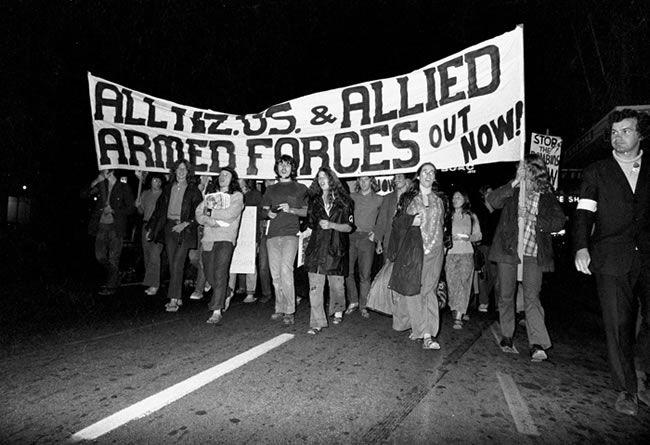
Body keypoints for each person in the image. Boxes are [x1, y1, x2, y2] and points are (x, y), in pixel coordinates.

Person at [573, 109, 650, 416]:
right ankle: (627, 389)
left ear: (640, 134)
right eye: (615, 133)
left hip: (647, 253)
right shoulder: (598, 170)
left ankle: (642, 370)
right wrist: (581, 247)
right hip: (610, 256)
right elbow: (584, 212)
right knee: (618, 324)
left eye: (626, 131)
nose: (619, 137)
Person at [488, 153, 565, 361]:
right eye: (522, 170)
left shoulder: (547, 196)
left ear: (536, 172)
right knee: (506, 294)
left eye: (528, 172)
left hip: (533, 253)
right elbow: (492, 201)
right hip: (509, 250)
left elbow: (559, 221)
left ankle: (537, 342)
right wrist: (514, 182)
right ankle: (507, 335)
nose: (525, 175)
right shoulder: (514, 190)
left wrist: (534, 218)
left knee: (532, 296)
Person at [387, 163, 451, 350]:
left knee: (429, 291)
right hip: (414, 251)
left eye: (432, 172)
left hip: (435, 251)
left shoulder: (441, 200)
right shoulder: (408, 198)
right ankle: (420, 330)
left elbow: (445, 224)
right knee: (414, 291)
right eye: (425, 171)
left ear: (435, 177)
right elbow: (396, 222)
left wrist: (446, 245)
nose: (428, 175)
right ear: (418, 175)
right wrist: (410, 221)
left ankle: (428, 334)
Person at [147, 160, 203, 312]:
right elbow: (158, 211)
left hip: (185, 229)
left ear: (188, 172)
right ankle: (177, 296)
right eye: (179, 169)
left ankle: (173, 299)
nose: (181, 171)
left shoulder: (194, 190)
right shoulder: (167, 188)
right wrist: (151, 228)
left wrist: (185, 224)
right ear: (174, 171)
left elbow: (199, 213)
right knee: (173, 264)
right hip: (169, 228)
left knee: (178, 263)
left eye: (184, 169)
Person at [304, 167, 355, 334]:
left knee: (337, 286)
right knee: (315, 287)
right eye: (318, 177)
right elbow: (311, 225)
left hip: (336, 248)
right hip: (317, 248)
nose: (321, 179)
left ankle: (338, 309)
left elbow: (349, 227)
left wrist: (332, 225)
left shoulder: (345, 201)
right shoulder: (314, 201)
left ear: (332, 179)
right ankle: (316, 322)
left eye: (324, 176)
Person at [261, 155, 308, 325]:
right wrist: (268, 214)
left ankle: (289, 310)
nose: (284, 168)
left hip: (290, 235)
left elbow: (307, 211)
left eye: (287, 165)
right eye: (281, 164)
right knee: (275, 274)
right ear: (277, 167)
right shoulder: (270, 190)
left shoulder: (300, 188)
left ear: (292, 168)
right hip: (272, 235)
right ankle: (279, 307)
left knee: (286, 270)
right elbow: (263, 210)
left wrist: (292, 210)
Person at [195, 167, 245, 324]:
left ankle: (216, 310)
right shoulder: (210, 196)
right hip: (209, 238)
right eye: (221, 175)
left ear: (233, 179)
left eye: (227, 175)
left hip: (226, 239)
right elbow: (198, 212)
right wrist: (211, 221)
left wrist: (209, 214)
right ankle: (227, 291)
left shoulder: (237, 196)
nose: (223, 177)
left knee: (220, 272)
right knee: (209, 273)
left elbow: (230, 215)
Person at [82, 169, 135, 296]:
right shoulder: (101, 185)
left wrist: (114, 210)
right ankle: (117, 273)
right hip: (101, 225)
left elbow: (131, 208)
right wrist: (95, 181)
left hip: (116, 227)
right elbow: (83, 195)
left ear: (111, 171)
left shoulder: (123, 186)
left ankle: (111, 286)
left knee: (113, 257)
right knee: (100, 256)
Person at [345, 175, 383, 319]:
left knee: (365, 274)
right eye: (361, 179)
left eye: (366, 179)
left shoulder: (379, 199)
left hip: (367, 239)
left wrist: (377, 234)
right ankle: (353, 301)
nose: (363, 182)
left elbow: (383, 219)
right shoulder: (351, 197)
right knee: (347, 272)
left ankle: (363, 304)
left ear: (372, 181)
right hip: (351, 237)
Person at [446, 189, 482, 329]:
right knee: (452, 284)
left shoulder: (471, 216)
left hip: (466, 253)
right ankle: (456, 307)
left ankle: (459, 316)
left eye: (458, 197)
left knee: (463, 284)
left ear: (465, 199)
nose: (455, 199)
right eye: (454, 197)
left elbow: (479, 235)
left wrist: (469, 238)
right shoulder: (447, 216)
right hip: (450, 254)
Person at [136, 173, 165, 296]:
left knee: (155, 255)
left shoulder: (164, 194)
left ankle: (155, 284)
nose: (157, 183)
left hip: (159, 227)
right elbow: (141, 211)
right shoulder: (145, 193)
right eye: (154, 180)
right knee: (147, 254)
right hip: (146, 225)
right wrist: (138, 205)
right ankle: (151, 281)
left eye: (159, 180)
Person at [474, 185, 500, 312]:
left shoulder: (498, 210)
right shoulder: (479, 210)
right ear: (483, 194)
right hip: (483, 246)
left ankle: (498, 304)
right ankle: (483, 302)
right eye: (488, 192)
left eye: (492, 192)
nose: (491, 195)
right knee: (483, 276)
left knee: (496, 275)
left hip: (495, 247)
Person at [375, 173, 413, 260]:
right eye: (395, 177)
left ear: (407, 180)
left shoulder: (414, 198)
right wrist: (379, 242)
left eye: (399, 177)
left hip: (409, 241)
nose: (396, 180)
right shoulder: (388, 198)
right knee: (388, 270)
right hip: (390, 241)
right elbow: (382, 220)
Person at [238, 178, 263, 304]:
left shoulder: (255, 195)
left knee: (250, 261)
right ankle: (229, 291)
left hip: (251, 233)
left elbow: (260, 216)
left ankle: (250, 292)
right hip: (235, 232)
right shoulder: (232, 194)